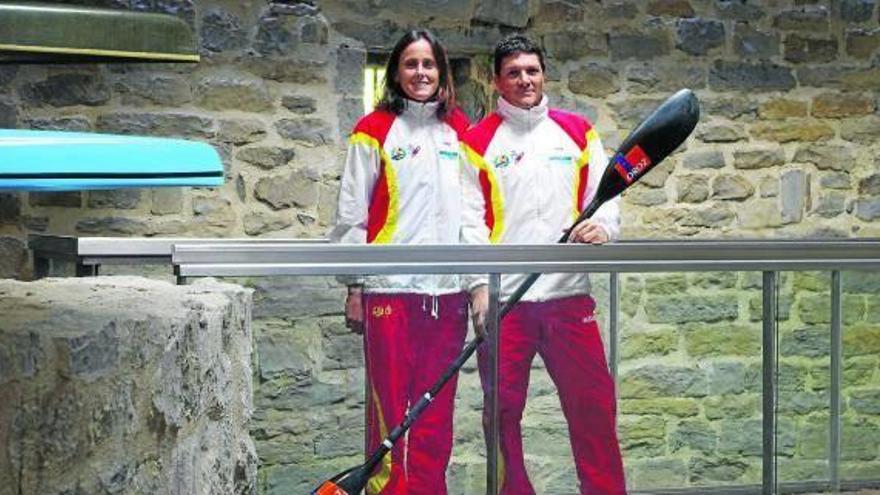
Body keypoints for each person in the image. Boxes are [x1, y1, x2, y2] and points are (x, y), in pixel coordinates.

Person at [461, 34, 626, 494]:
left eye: (531, 70)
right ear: (497, 81)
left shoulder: (577, 132)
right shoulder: (477, 142)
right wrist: (479, 288)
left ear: (544, 74)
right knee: (502, 412)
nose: (524, 80)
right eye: (513, 73)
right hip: (507, 301)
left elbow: (605, 195)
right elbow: (468, 221)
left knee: (593, 406)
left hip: (568, 296)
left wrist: (605, 228)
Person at [330, 29, 471, 495]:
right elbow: (351, 213)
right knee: (390, 414)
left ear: (442, 72)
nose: (420, 73)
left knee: (435, 415)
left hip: (446, 295)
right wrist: (355, 285)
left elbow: (474, 214)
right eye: (410, 64)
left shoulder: (461, 131)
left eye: (428, 64)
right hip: (389, 289)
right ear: (395, 72)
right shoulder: (372, 130)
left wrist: (476, 286)